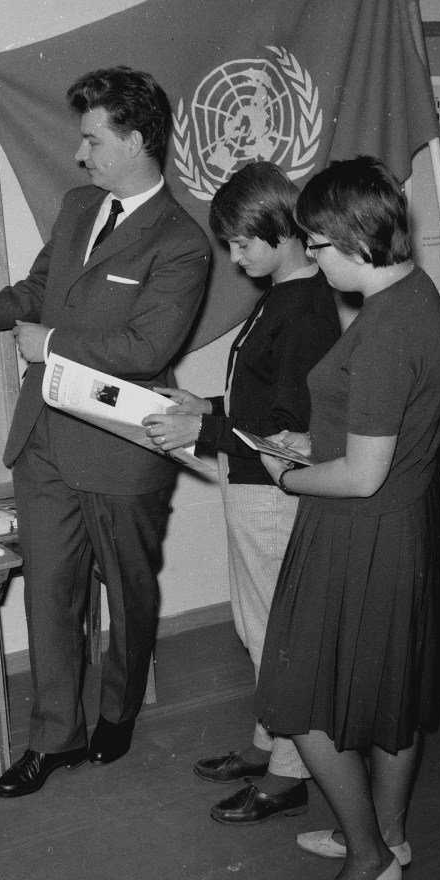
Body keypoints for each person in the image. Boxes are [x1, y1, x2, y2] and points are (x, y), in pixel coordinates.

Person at [0, 66, 210, 797]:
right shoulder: (78, 206)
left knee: (128, 594)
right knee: (48, 596)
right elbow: (43, 289)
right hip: (44, 440)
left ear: (136, 140)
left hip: (122, 450)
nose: (80, 153)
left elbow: (147, 348)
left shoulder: (181, 243)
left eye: (93, 139)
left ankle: (117, 713)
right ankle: (53, 738)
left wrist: (50, 344)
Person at [253, 156, 440, 880]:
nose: (311, 257)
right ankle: (389, 835)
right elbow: (382, 433)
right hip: (401, 523)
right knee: (388, 690)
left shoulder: (384, 330)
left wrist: (288, 475)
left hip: (359, 528)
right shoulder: (413, 294)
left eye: (317, 244)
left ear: (353, 240)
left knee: (296, 695)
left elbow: (362, 475)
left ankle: (368, 861)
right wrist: (318, 441)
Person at [141, 161, 340, 825]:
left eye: (242, 242)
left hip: (273, 491)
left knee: (272, 632)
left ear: (283, 230)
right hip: (250, 481)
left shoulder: (305, 311)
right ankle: (267, 743)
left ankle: (289, 775)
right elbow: (262, 399)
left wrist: (200, 430)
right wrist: (205, 405)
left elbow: (288, 430)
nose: (234, 257)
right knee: (255, 625)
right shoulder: (282, 294)